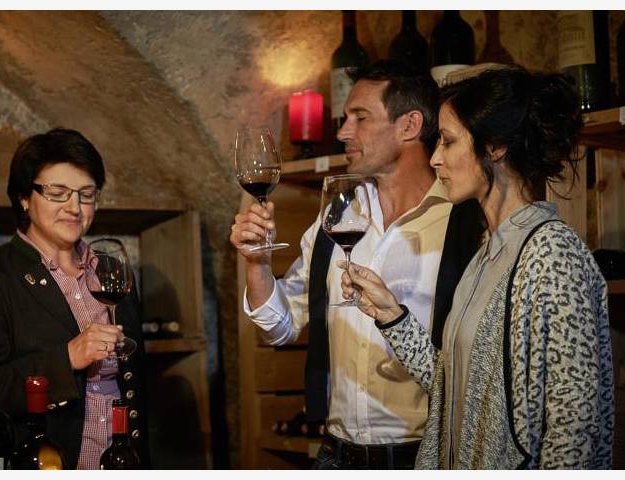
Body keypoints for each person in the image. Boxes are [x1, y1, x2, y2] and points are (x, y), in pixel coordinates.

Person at [341, 66, 614, 469]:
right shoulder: (487, 251)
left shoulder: (552, 254)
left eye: (448, 141)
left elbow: (575, 430)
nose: (435, 158)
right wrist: (392, 316)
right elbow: (454, 390)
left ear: (495, 147)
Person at [230, 60, 484, 469]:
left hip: (426, 456)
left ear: (409, 125)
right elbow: (278, 327)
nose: (343, 132)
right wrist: (256, 262)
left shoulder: (464, 221)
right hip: (337, 454)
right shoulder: (337, 214)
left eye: (360, 117)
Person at [0, 128, 150, 469]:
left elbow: (135, 385)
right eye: (57, 193)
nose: (75, 207)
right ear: (25, 197)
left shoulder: (112, 272)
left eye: (86, 194)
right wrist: (67, 358)